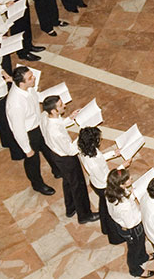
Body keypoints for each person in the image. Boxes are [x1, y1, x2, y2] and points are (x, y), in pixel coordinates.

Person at [40, 95, 98, 224]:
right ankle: (84, 215)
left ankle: (71, 207)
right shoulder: (55, 132)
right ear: (54, 110)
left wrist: (70, 118)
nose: (64, 106)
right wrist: (83, 136)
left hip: (56, 155)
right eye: (61, 105)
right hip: (66, 159)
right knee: (79, 185)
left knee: (68, 181)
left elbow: (59, 124)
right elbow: (71, 150)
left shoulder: (45, 116)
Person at [5, 65, 60, 195]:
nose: (34, 78)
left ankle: (57, 170)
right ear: (22, 83)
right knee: (33, 160)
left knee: (48, 148)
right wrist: (27, 149)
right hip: (28, 133)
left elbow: (35, 99)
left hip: (37, 125)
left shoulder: (27, 88)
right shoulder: (16, 104)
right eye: (30, 78)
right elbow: (18, 130)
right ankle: (37, 184)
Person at [78, 126, 128, 244]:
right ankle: (115, 238)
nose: (100, 141)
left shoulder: (86, 150)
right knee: (111, 211)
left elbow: (99, 158)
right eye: (98, 139)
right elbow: (106, 178)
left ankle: (105, 228)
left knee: (103, 205)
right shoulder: (93, 163)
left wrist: (113, 153)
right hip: (103, 186)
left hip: (96, 183)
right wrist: (122, 167)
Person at [106, 168, 154, 278]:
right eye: (128, 179)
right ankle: (135, 270)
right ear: (121, 184)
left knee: (140, 243)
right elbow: (130, 223)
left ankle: (143, 257)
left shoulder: (111, 192)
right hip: (133, 229)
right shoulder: (124, 205)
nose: (131, 178)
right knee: (134, 249)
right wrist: (143, 211)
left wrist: (131, 195)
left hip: (124, 224)